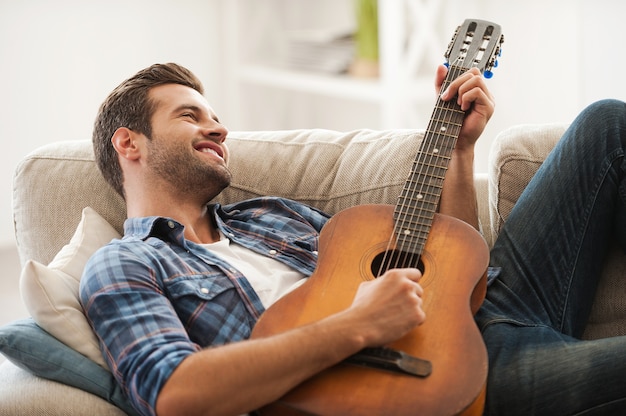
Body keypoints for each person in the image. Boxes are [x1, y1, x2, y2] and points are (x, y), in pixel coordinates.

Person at [78, 61, 626, 416]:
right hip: (432, 381)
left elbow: (446, 259)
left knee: (605, 126)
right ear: (130, 143)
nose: (218, 128)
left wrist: (458, 152)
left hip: (480, 309)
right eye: (190, 116)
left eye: (217, 116)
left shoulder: (269, 214)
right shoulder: (126, 263)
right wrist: (357, 324)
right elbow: (175, 392)